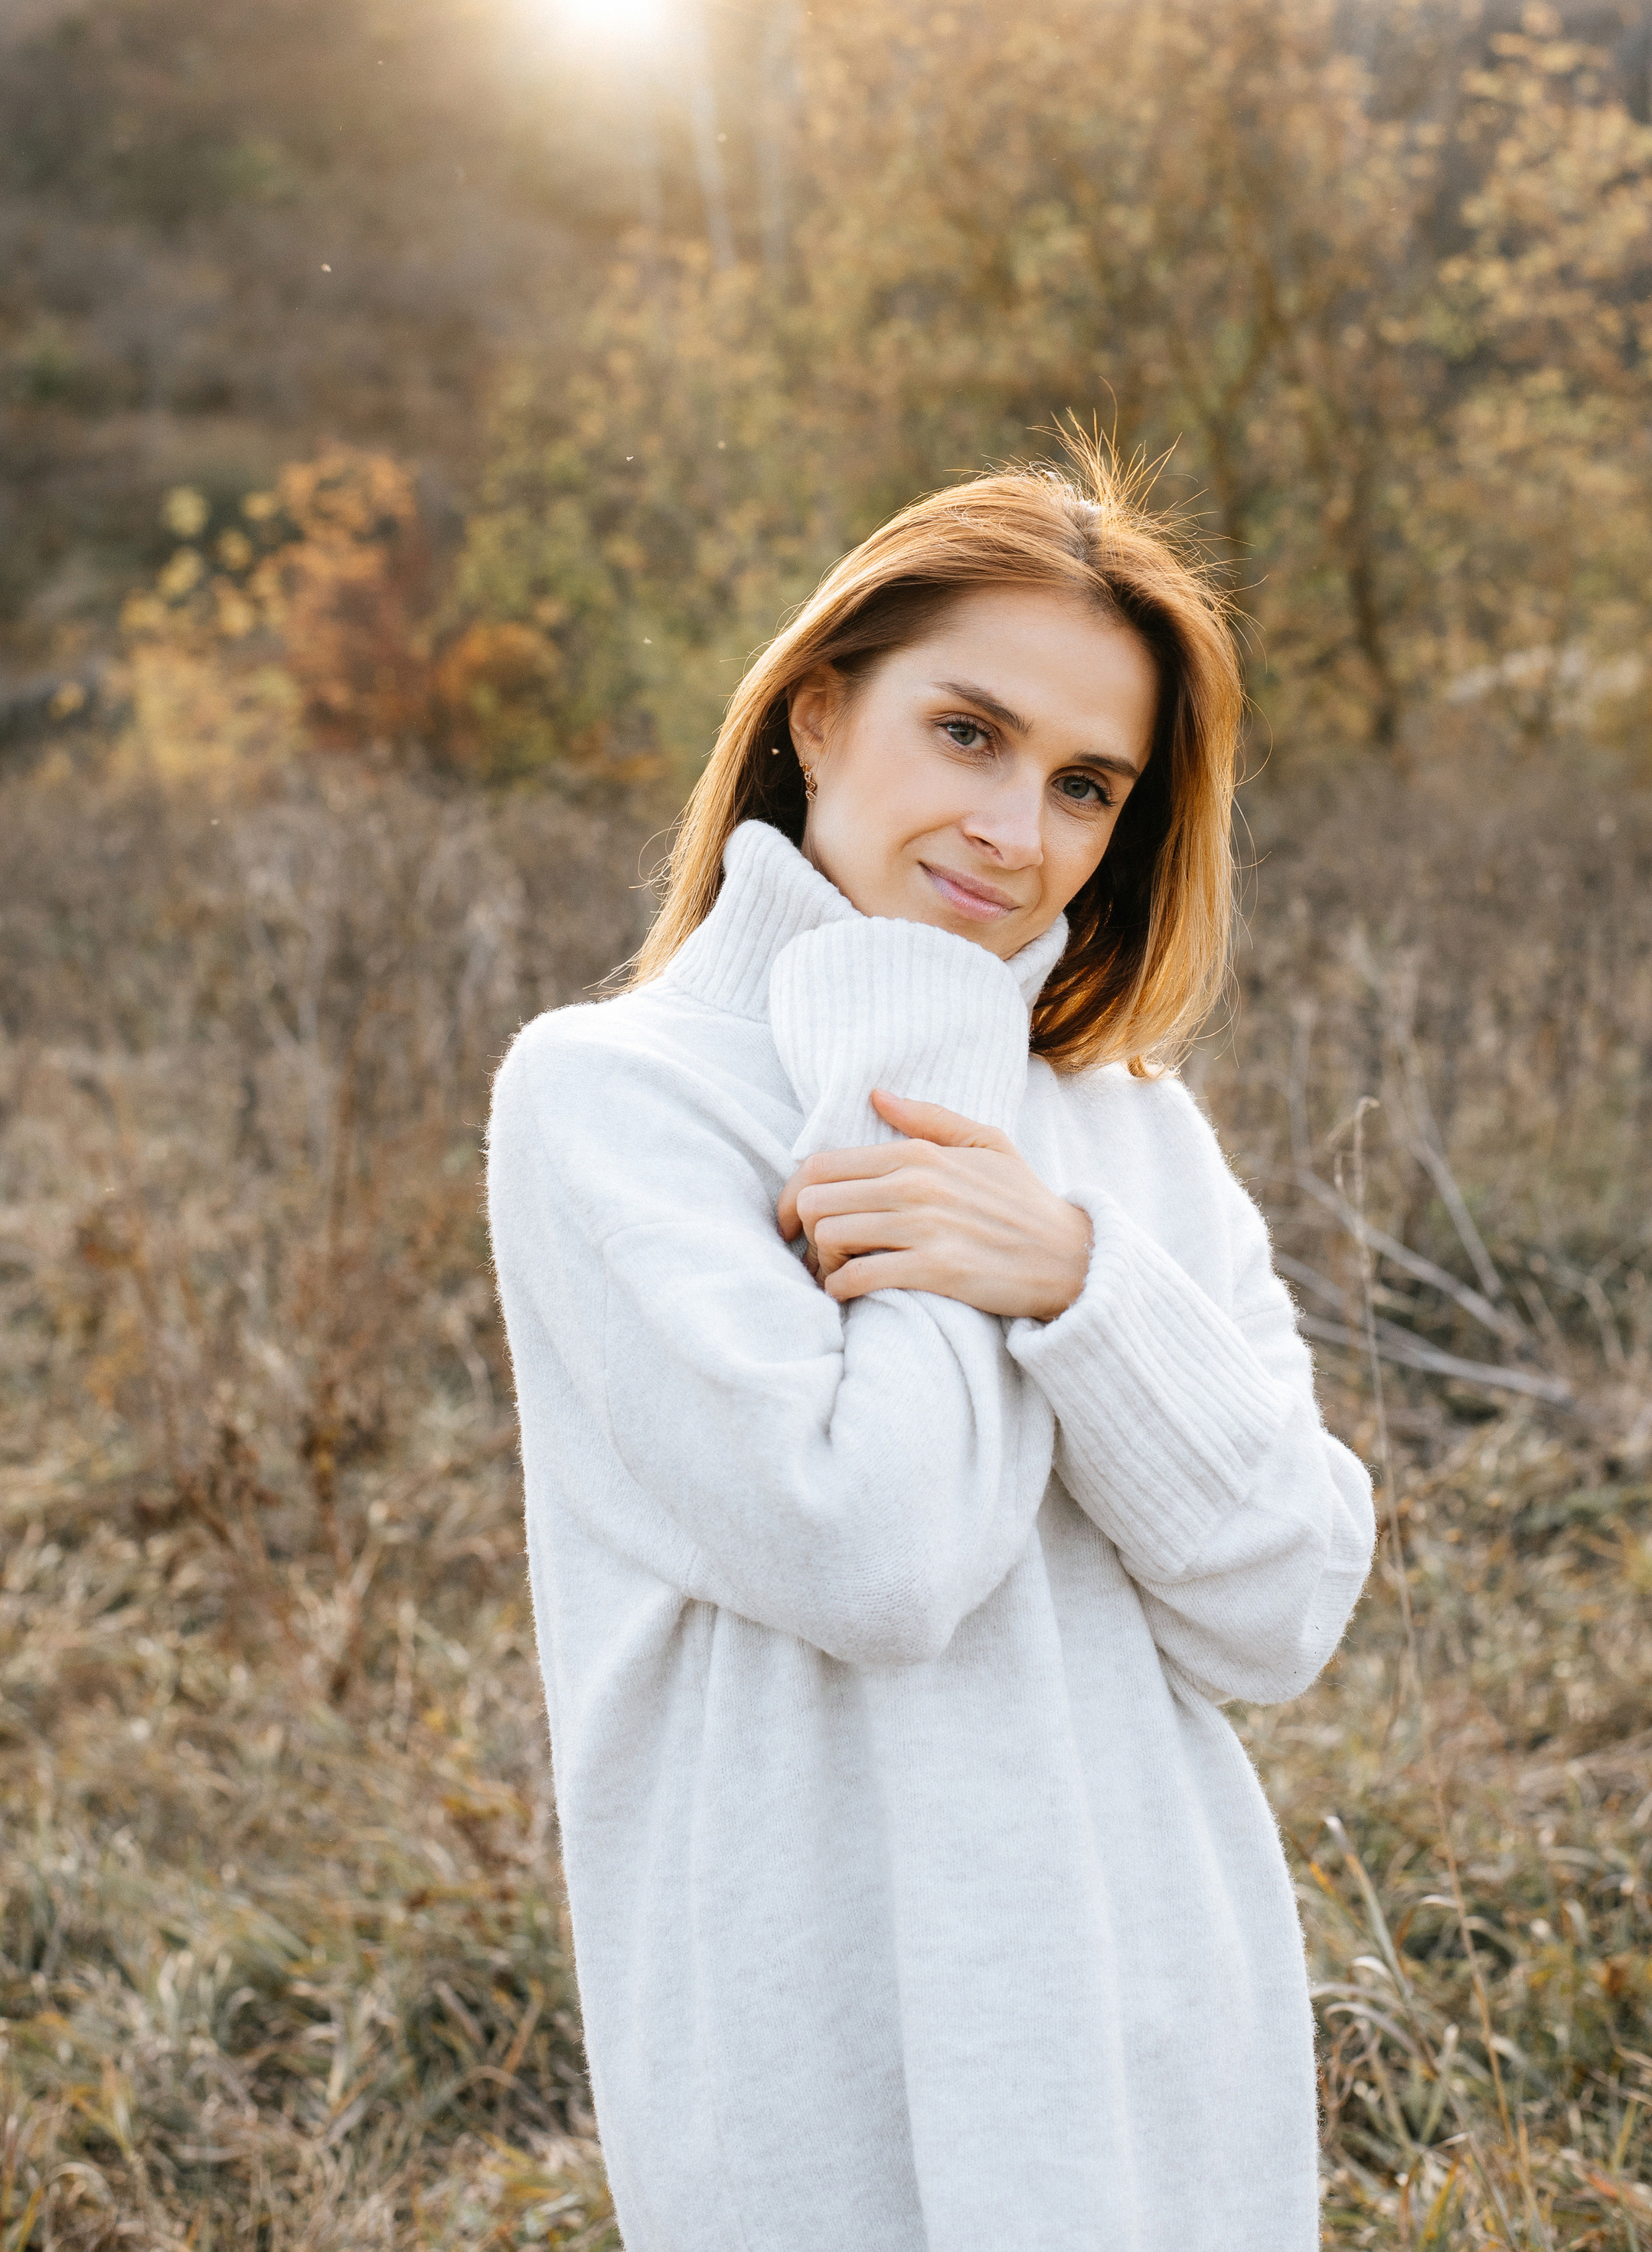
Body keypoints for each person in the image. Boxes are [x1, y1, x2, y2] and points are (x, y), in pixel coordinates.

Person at [486, 455, 1376, 2252]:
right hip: (814, 2054)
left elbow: (1282, 1607)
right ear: (818, 714)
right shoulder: (611, 1101)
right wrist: (929, 1046)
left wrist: (1075, 1283)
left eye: (1083, 785)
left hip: (1149, 2026)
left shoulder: (1130, 1135)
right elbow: (874, 1556)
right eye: (966, 733)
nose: (1013, 830)